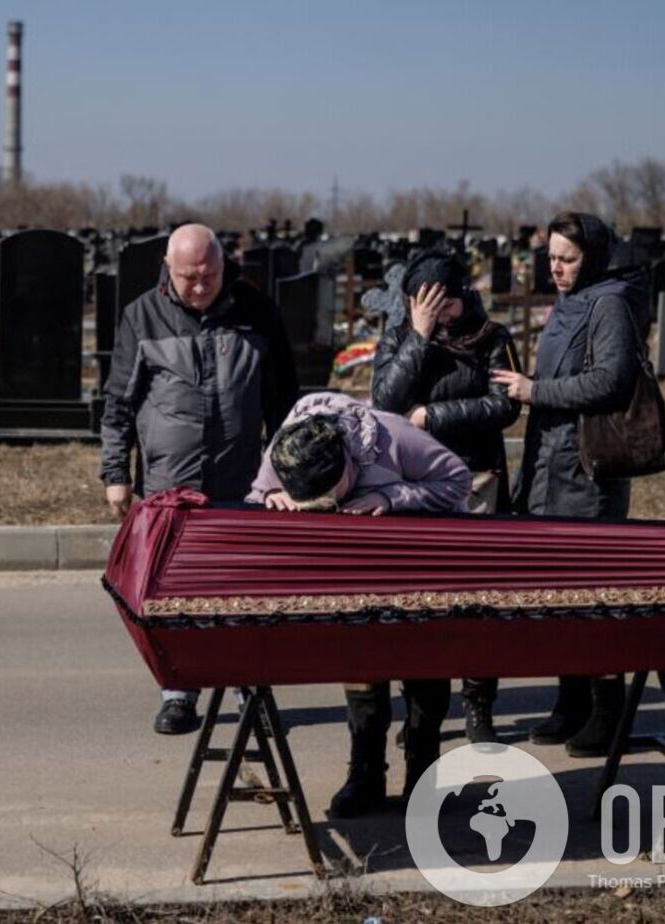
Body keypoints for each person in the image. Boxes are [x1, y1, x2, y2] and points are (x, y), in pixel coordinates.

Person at [99, 223, 298, 735]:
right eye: (188, 277)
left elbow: (283, 403)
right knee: (172, 595)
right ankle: (178, 693)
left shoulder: (256, 312)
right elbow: (119, 403)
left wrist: (287, 476)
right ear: (168, 266)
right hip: (170, 487)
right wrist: (116, 474)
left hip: (243, 483)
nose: (198, 286)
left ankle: (247, 693)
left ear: (222, 266)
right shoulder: (141, 316)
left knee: (242, 590)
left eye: (208, 275)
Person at [247, 391, 471, 817]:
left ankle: (424, 780)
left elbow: (457, 480)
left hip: (422, 567)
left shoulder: (395, 438)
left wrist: (391, 499)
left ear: (348, 464)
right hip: (352, 574)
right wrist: (267, 501)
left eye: (332, 495)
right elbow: (257, 494)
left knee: (424, 670)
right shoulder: (286, 450)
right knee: (361, 668)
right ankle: (365, 776)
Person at [491, 211, 649, 758]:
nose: (556, 268)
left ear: (593, 258)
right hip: (548, 469)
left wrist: (536, 391)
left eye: (568, 259)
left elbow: (612, 379)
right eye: (552, 258)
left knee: (592, 596)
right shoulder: (569, 301)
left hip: (586, 473)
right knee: (558, 595)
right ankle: (571, 701)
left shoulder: (609, 303)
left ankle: (608, 711)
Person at [369, 247, 522, 743]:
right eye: (425, 301)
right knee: (420, 596)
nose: (440, 311)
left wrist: (433, 416)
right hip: (412, 482)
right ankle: (420, 713)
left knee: (477, 599)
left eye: (446, 303)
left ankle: (479, 702)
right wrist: (419, 335)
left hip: (475, 477)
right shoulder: (400, 336)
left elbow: (503, 405)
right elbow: (384, 401)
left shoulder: (491, 337)